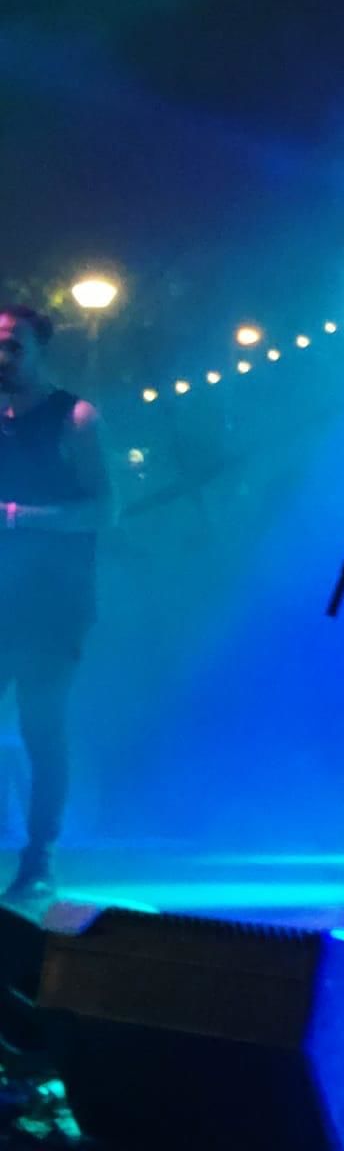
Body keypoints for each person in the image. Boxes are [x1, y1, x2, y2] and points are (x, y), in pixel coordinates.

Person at [0, 305, 113, 902]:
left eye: (14, 345)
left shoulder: (74, 416)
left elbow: (104, 508)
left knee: (42, 727)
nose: (2, 356)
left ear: (39, 349)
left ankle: (39, 856)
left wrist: (17, 517)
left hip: (53, 602)